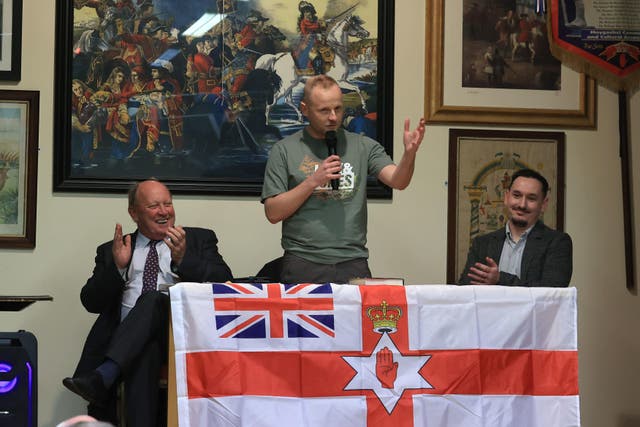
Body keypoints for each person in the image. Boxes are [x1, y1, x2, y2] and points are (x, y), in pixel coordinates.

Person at [63, 179, 233, 426]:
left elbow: (225, 284)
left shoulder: (198, 239)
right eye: (154, 206)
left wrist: (184, 260)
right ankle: (109, 374)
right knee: (144, 351)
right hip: (129, 341)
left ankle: (105, 374)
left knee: (153, 299)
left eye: (168, 203)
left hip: (181, 338)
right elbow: (90, 301)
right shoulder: (114, 249)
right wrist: (118, 269)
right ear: (134, 213)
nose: (164, 211)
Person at [261, 75, 425, 284]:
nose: (333, 117)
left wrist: (409, 155)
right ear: (305, 109)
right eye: (324, 110)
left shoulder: (363, 146)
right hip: (303, 262)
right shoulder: (283, 150)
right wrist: (313, 181)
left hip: (353, 263)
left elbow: (398, 181)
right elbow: (273, 213)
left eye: (338, 109)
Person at [457, 168, 572, 287]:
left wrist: (500, 278)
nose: (522, 205)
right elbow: (466, 290)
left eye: (531, 198)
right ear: (506, 197)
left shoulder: (557, 243)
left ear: (543, 204)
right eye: (516, 195)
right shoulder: (482, 244)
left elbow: (551, 292)